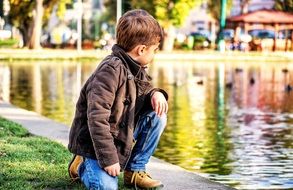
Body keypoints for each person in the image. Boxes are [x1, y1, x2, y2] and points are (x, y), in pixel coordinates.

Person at [68, 9, 168, 190]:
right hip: (94, 143)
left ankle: (135, 170)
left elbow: (144, 89)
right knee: (107, 187)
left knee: (157, 115)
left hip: (119, 132)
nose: (154, 55)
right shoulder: (109, 71)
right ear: (142, 49)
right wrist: (108, 159)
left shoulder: (136, 66)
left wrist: (155, 93)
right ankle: (82, 164)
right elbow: (97, 118)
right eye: (155, 50)